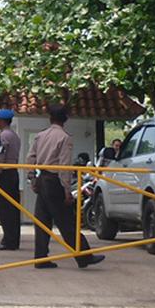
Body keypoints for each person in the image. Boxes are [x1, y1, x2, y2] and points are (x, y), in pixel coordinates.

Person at [27, 104, 105, 270]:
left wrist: (32, 179)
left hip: (42, 179)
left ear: (50, 118)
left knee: (42, 221)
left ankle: (40, 258)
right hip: (55, 182)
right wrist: (67, 190)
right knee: (67, 222)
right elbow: (64, 167)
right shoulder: (64, 137)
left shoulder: (40, 136)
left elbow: (30, 158)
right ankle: (84, 256)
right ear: (66, 120)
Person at [0, 109, 23, 251]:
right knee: (13, 209)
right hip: (13, 173)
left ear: (2, 121)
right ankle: (14, 240)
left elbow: (0, 158)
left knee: (4, 209)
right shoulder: (15, 136)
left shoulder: (3, 136)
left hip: (5, 175)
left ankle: (7, 240)